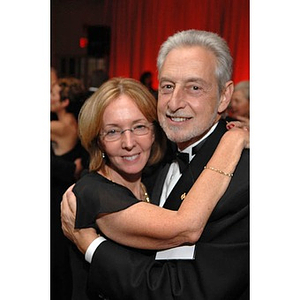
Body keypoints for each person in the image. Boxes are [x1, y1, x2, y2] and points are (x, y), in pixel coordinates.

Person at [61, 30, 250, 299]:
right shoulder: (150, 166)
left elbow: (189, 291)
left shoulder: (245, 180)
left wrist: (92, 246)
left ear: (224, 96)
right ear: (98, 139)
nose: (174, 103)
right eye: (168, 86)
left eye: (194, 87)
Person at [51, 77, 89, 299]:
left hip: (55, 194)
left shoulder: (58, 126)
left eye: (53, 94)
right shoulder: (74, 123)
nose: (48, 98)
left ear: (65, 102)